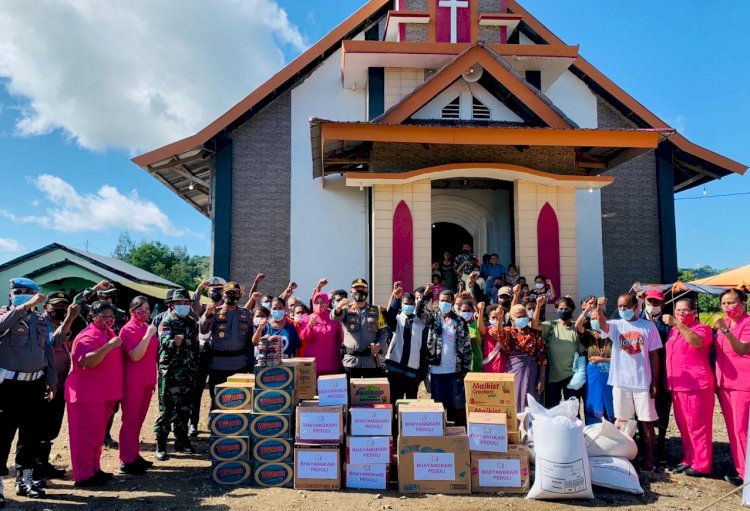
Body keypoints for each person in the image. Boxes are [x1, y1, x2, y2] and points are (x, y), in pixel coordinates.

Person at [0, 279, 56, 502]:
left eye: (26, 292)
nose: (19, 294)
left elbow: (48, 351)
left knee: (31, 435)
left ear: (37, 295)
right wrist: (23, 307)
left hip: (35, 384)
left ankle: (25, 480)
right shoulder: (5, 315)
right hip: (8, 386)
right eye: (16, 292)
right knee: (2, 436)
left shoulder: (42, 321)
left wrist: (52, 380)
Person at [597, 294, 662, 471]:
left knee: (646, 422)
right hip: (620, 382)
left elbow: (654, 356)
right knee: (623, 422)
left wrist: (654, 382)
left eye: (626, 306)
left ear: (635, 305)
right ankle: (626, 458)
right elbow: (602, 325)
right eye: (620, 307)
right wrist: (599, 309)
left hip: (642, 382)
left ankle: (649, 459)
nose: (623, 310)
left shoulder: (648, 327)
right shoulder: (616, 325)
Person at [65, 301, 123, 487]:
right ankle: (83, 476)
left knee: (97, 436)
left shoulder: (107, 333)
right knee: (84, 436)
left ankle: (94, 469)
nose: (108, 319)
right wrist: (108, 347)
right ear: (93, 316)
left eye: (111, 316)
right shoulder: (87, 335)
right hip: (86, 395)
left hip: (103, 394)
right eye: (103, 316)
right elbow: (87, 362)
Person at [662, 299, 714, 477]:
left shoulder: (701, 328)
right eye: (678, 311)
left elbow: (697, 342)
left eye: (685, 311)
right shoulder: (674, 331)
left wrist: (677, 323)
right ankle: (689, 458)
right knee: (684, 425)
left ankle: (702, 463)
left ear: (694, 312)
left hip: (696, 385)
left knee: (698, 426)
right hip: (678, 385)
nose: (681, 314)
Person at [37, 292, 79, 480]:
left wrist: (68, 319)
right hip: (46, 384)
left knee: (51, 428)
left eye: (63, 305)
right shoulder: (40, 323)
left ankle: (43, 464)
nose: (61, 309)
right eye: (56, 306)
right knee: (40, 427)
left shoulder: (58, 323)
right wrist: (69, 317)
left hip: (60, 383)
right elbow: (55, 340)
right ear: (46, 307)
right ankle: (35, 467)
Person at [155, 289, 199, 461]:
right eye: (179, 303)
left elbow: (195, 347)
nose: (183, 306)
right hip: (171, 373)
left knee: (185, 409)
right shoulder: (167, 322)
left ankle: (181, 440)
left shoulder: (192, 323)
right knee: (166, 410)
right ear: (172, 305)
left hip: (188, 373)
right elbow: (164, 342)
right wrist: (174, 342)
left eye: (186, 303)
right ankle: (161, 445)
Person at [418, 285, 471, 426]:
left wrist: (465, 369)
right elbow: (419, 312)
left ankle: (458, 436)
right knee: (438, 406)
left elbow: (466, 346)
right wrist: (425, 296)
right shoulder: (433, 318)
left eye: (447, 301)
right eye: (442, 300)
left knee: (457, 406)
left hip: (455, 371)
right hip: (436, 371)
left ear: (453, 302)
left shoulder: (460, 321)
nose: (444, 303)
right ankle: (440, 437)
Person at [713, 288, 750, 486]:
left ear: (743, 304)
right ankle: (741, 468)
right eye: (724, 303)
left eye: (732, 303)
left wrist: (726, 331)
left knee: (743, 429)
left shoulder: (747, 322)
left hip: (743, 383)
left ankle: (747, 473)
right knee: (733, 429)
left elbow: (742, 349)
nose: (727, 307)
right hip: (725, 383)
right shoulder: (724, 323)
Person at [118, 296, 158, 475]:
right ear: (131, 311)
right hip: (133, 381)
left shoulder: (145, 327)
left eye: (147, 309)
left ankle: (134, 454)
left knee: (139, 421)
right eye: (140, 310)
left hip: (147, 380)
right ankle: (126, 459)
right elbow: (135, 356)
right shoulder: (129, 330)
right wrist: (149, 335)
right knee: (130, 421)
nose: (145, 313)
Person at [199, 282, 253, 402]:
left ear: (239, 295)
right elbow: (203, 330)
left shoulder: (246, 314)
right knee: (217, 400)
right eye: (228, 293)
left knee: (238, 399)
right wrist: (207, 314)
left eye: (234, 293)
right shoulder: (215, 311)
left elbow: (250, 340)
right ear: (223, 295)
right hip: (218, 365)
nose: (231, 296)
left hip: (240, 365)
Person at [491, 303, 545, 413]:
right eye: (518, 316)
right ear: (512, 319)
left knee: (532, 401)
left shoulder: (534, 333)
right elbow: (498, 334)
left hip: (532, 372)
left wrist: (542, 378)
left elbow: (542, 356)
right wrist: (500, 317)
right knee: (515, 399)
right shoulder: (509, 331)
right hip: (514, 370)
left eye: (523, 315)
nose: (521, 318)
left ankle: (530, 428)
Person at [638, 288, 672, 463]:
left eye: (656, 302)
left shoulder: (668, 324)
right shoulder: (637, 320)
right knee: (641, 408)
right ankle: (643, 442)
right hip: (641, 371)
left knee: (662, 407)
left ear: (663, 304)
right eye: (650, 301)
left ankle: (660, 442)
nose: (652, 305)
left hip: (663, 371)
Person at [190, 277, 226, 437]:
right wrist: (199, 289)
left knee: (215, 390)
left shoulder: (226, 309)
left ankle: (213, 420)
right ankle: (193, 423)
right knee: (196, 390)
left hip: (217, 354)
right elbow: (194, 306)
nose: (215, 292)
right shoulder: (204, 308)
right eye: (213, 290)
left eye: (219, 290)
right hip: (202, 352)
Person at [537, 296, 587, 408]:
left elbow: (581, 353)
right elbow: (535, 325)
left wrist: (580, 374)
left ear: (572, 310)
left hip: (572, 377)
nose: (563, 311)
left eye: (566, 309)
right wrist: (538, 306)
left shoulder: (575, 328)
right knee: (551, 409)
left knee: (572, 410)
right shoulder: (550, 325)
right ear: (556, 309)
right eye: (561, 308)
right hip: (552, 378)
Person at [331, 279, 387, 379]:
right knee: (350, 393)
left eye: (363, 288)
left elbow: (383, 333)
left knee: (370, 393)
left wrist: (379, 346)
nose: (360, 290)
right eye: (356, 288)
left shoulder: (375, 310)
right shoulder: (346, 309)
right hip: (350, 362)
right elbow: (335, 317)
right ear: (351, 291)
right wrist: (338, 307)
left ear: (367, 291)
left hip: (370, 362)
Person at [384, 283, 428, 407]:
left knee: (411, 403)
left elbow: (423, 347)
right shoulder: (397, 319)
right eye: (405, 303)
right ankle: (393, 425)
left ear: (414, 305)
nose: (408, 306)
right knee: (394, 400)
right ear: (402, 305)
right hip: (395, 367)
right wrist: (395, 299)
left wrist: (422, 369)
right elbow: (389, 316)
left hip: (412, 369)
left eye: (410, 304)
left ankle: (408, 426)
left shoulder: (421, 323)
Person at [583, 298, 614, 425]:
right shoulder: (589, 335)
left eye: (598, 318)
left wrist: (602, 359)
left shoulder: (613, 335)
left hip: (611, 375)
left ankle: (613, 434)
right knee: (594, 402)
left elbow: (621, 359)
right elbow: (578, 326)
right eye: (593, 319)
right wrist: (587, 310)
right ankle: (593, 434)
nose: (595, 321)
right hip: (593, 376)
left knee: (611, 403)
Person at [300, 292, 343, 377]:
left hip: (331, 361)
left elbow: (339, 340)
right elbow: (304, 338)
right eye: (316, 302)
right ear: (313, 304)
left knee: (331, 388)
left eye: (322, 302)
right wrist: (310, 326)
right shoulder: (306, 319)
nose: (319, 305)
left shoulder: (334, 318)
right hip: (313, 363)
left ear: (327, 303)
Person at [479, 304, 508, 375]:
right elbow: (480, 329)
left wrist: (499, 317)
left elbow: (499, 332)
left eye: (497, 317)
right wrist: (480, 311)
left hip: (503, 362)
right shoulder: (487, 329)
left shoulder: (507, 330)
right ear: (489, 317)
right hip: (489, 362)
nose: (495, 319)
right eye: (493, 317)